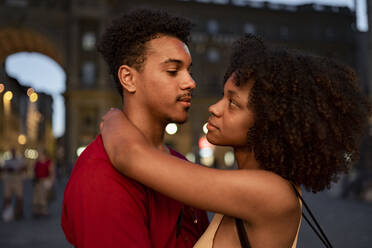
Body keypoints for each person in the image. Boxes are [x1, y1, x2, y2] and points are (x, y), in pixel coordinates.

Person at [100, 35, 371, 247]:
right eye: (222, 95)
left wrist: (113, 117)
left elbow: (129, 156)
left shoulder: (267, 192)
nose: (214, 108)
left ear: (268, 122)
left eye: (232, 103)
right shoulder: (258, 184)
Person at [61, 9, 209, 248]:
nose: (190, 82)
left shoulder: (181, 165)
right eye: (173, 70)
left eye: (189, 71)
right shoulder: (100, 177)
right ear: (128, 78)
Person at [1, 148, 26, 220]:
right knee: (7, 196)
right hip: (9, 178)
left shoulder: (20, 160)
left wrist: (19, 169)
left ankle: (19, 212)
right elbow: (3, 168)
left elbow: (24, 168)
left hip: (17, 178)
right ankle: (7, 212)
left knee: (19, 197)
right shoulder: (7, 160)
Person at [33, 149, 55, 217]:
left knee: (43, 197)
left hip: (45, 181)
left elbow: (52, 172)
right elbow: (34, 172)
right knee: (36, 197)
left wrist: (51, 181)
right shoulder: (37, 162)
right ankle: (36, 211)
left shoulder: (48, 162)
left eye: (41, 154)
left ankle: (44, 211)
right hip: (37, 181)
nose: (40, 156)